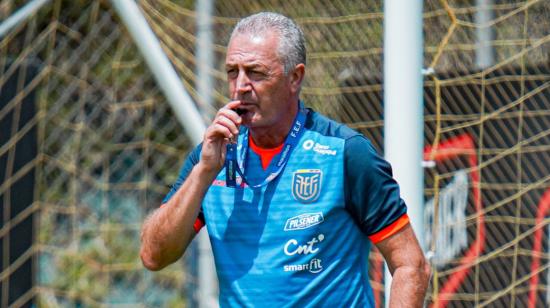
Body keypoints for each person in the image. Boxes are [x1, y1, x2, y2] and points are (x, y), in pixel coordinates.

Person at [140, 12, 430, 307]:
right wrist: (203, 172)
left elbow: (410, 265)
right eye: (232, 72)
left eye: (256, 72)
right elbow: (154, 255)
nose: (240, 85)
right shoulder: (211, 158)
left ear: (295, 77)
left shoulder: (345, 154)